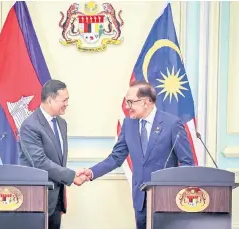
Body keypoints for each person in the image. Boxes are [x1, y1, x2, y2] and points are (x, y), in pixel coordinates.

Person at [77, 81, 195, 229]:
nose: (127, 107)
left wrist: (176, 191)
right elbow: (116, 157)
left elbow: (187, 163)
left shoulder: (172, 124)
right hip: (140, 199)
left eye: (130, 102)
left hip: (167, 200)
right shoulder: (128, 124)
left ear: (146, 102)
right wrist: (92, 172)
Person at [19, 79, 88, 229]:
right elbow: (40, 162)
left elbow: (56, 159)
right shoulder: (30, 126)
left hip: (56, 198)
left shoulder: (61, 124)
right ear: (50, 100)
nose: (67, 103)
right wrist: (72, 176)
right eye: (64, 100)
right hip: (37, 198)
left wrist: (72, 173)